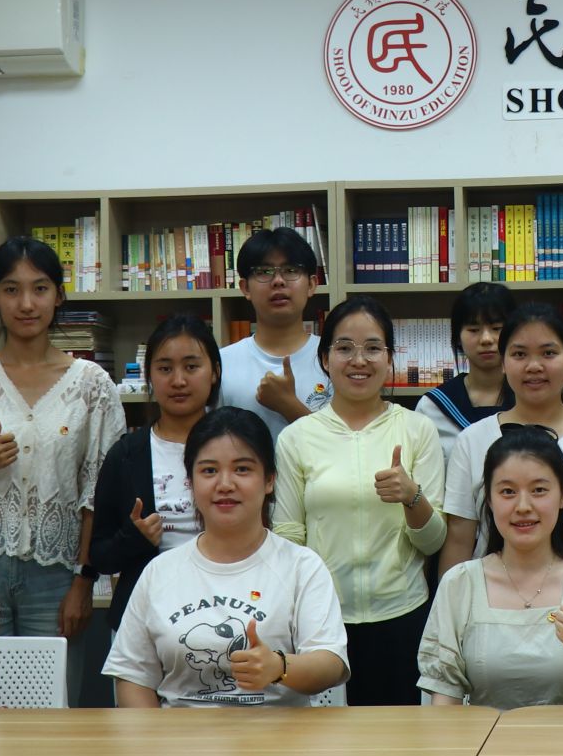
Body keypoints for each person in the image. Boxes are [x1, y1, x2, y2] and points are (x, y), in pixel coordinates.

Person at [0, 236, 121, 640]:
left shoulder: (93, 385)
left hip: (56, 574)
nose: (27, 304)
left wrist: (84, 581)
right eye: (11, 290)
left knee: (51, 682)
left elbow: (99, 494)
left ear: (59, 295)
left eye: (40, 288)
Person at [104, 407, 349, 707]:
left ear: (269, 480)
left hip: (277, 734)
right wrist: (154, 735)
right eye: (209, 471)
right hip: (180, 734)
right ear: (190, 482)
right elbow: (132, 676)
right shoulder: (159, 572)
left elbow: (330, 663)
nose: (225, 484)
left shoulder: (302, 566)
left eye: (242, 469)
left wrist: (279, 666)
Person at [275, 297, 447, 706]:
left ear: (389, 358)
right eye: (344, 348)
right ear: (325, 359)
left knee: (403, 738)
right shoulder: (297, 437)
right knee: (328, 739)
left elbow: (434, 542)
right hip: (323, 621)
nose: (359, 360)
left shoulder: (417, 429)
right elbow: (288, 536)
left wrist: (412, 497)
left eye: (372, 348)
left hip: (404, 617)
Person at [418, 429, 563, 708]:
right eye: (507, 492)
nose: (523, 506)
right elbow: (445, 699)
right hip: (485, 736)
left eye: (539, 490)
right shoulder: (460, 583)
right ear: (489, 499)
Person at [440, 304, 563, 576]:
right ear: (503, 363)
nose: (534, 366)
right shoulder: (472, 439)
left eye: (548, 353)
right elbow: (459, 538)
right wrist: (449, 597)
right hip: (495, 591)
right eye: (519, 354)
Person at [91, 314, 221, 630]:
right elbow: (100, 555)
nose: (178, 381)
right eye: (165, 369)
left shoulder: (235, 444)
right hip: (145, 617)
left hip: (225, 608)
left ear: (215, 372)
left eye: (191, 367)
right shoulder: (126, 455)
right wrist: (132, 539)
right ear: (149, 375)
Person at [219, 227, 332, 440]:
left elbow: (346, 446)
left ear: (311, 284)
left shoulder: (335, 360)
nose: (278, 281)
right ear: (245, 288)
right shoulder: (221, 364)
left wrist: (288, 405)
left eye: (290, 270)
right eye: (264, 271)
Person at [416, 282, 517, 463]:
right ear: (457, 338)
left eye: (497, 328)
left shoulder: (530, 399)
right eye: (473, 330)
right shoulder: (432, 408)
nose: (486, 339)